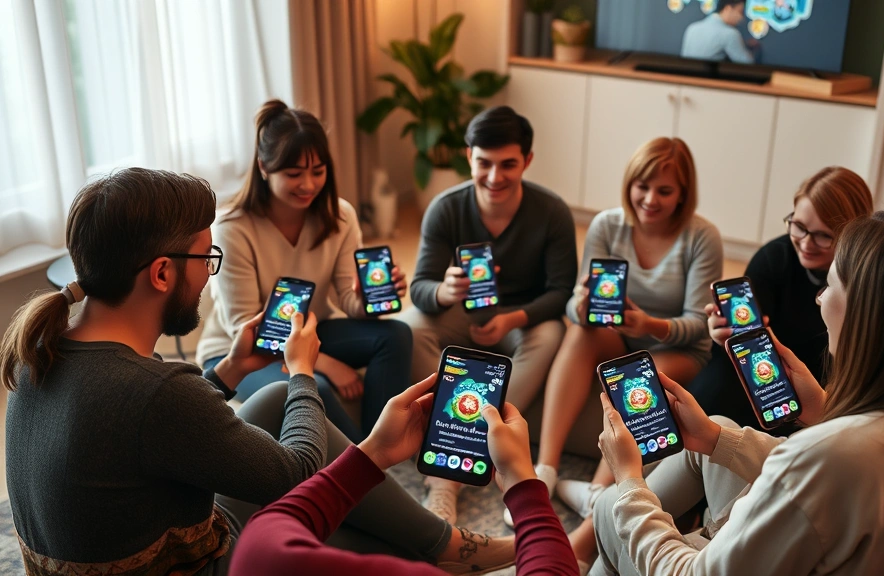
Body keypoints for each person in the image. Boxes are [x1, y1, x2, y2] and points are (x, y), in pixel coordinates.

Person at [0, 168, 512, 575]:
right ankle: (444, 551)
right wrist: (302, 373)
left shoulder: (42, 350)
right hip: (200, 566)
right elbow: (298, 474)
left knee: (264, 405)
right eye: (206, 258)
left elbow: (146, 432)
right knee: (332, 532)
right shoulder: (156, 391)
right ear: (161, 273)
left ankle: (442, 547)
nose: (207, 273)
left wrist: (229, 370)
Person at [588, 211, 884, 575]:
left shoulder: (834, 457)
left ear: (869, 316)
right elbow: (837, 484)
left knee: (614, 509)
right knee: (716, 430)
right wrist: (822, 410)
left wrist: (629, 481)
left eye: (831, 285)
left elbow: (822, 472)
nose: (819, 299)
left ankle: (576, 543)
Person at [526, 137, 722, 525]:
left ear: (683, 194)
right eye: (642, 187)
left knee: (639, 371)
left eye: (664, 191)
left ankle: (602, 491)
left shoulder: (702, 238)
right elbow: (575, 303)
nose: (650, 199)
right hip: (621, 337)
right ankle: (544, 471)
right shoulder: (606, 225)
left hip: (679, 350)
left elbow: (699, 325)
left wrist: (649, 324)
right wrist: (579, 307)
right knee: (580, 333)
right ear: (629, 184)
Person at [196, 99, 413, 442]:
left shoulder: (340, 216)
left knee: (397, 335)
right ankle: (365, 467)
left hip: (312, 330)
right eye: (294, 173)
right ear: (264, 167)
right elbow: (245, 325)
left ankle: (380, 445)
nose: (309, 185)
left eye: (318, 171)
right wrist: (323, 362)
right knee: (316, 385)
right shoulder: (232, 228)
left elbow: (347, 299)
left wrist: (369, 299)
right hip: (242, 349)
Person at [401, 105, 578, 524]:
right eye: (484, 163)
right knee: (409, 326)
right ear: (468, 157)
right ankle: (461, 455)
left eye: (508, 165)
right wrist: (444, 290)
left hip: (523, 320)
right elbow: (419, 288)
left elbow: (560, 293)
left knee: (552, 334)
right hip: (461, 312)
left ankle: (466, 444)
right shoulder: (445, 208)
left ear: (528, 161)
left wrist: (513, 319)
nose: (495, 177)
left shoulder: (551, 211)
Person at [230, 379, 579, 575]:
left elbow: (266, 537)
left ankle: (446, 543)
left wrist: (374, 453)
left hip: (223, 543)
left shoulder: (259, 559)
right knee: (401, 548)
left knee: (279, 395)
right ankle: (448, 546)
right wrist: (522, 483)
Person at [688, 166, 873, 433]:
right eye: (798, 226)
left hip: (818, 396)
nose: (806, 243)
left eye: (823, 235)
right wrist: (722, 337)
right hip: (760, 373)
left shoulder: (866, 282)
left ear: (854, 234)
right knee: (710, 393)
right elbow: (743, 339)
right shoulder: (774, 257)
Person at [680, 0, 755, 64]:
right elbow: (748, 65)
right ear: (728, 9)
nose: (741, 18)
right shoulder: (730, 34)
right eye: (740, 12)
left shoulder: (692, 28)